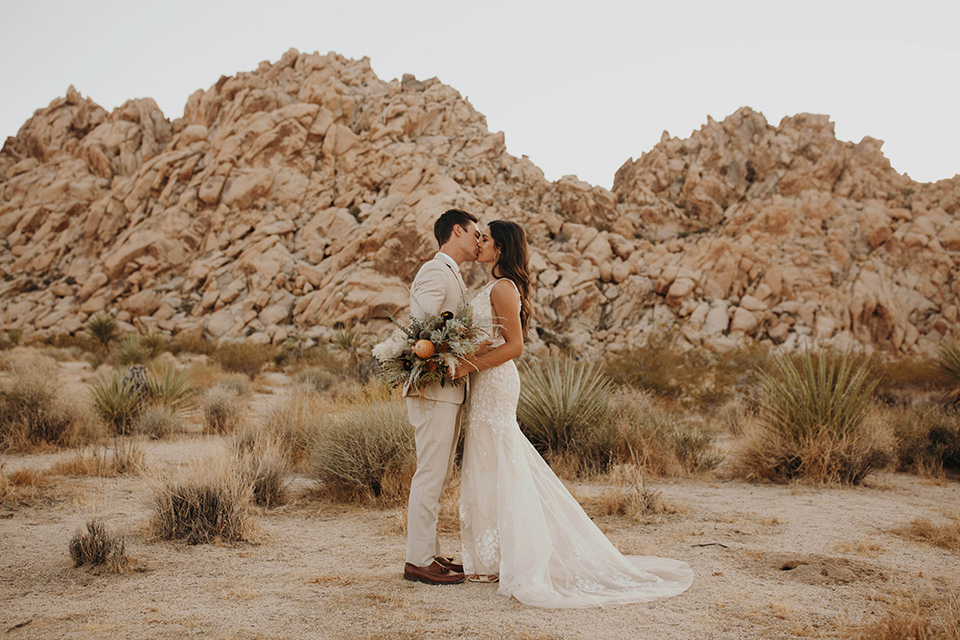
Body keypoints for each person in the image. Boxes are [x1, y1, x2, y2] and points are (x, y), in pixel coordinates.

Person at [453, 220, 694, 607]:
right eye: (478, 237)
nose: (479, 243)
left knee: (497, 461)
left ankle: (511, 558)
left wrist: (466, 365)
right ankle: (493, 558)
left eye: (486, 239)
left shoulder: (502, 287)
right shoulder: (494, 286)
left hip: (495, 382)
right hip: (486, 379)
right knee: (487, 462)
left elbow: (514, 346)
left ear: (500, 249)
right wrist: (469, 354)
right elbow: (493, 339)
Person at [402, 208, 481, 585]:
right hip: (432, 390)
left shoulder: (453, 273)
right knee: (431, 473)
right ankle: (417, 559)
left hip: (446, 392)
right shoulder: (436, 270)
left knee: (439, 472)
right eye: (475, 233)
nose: (479, 240)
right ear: (457, 231)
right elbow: (420, 329)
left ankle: (429, 551)